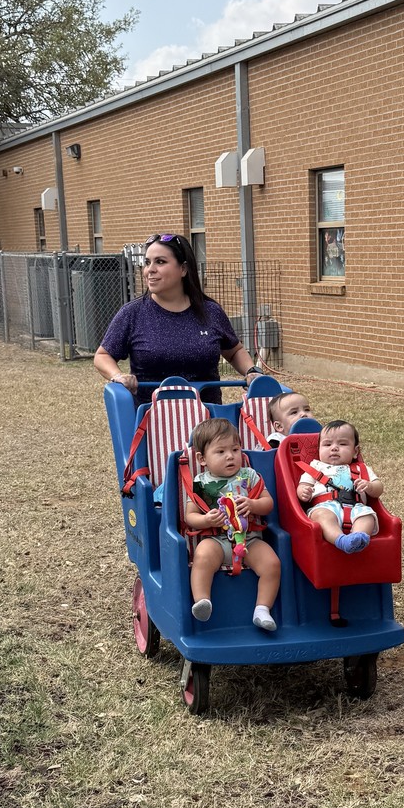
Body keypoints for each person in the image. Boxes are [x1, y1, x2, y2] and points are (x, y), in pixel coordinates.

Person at [94, 233, 262, 404]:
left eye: (160, 262)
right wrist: (118, 376)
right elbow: (103, 355)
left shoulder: (210, 311)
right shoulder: (132, 313)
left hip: (208, 424)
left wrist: (251, 371)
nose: (149, 270)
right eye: (147, 262)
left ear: (183, 269)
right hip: (151, 420)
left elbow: (234, 351)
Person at [185, 419, 281, 631]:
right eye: (220, 452)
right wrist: (206, 519)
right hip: (216, 540)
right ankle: (202, 601)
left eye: (235, 449)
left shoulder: (250, 475)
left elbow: (268, 504)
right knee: (202, 556)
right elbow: (189, 517)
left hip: (250, 540)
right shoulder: (200, 482)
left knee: (272, 564)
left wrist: (253, 504)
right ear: (202, 459)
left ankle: (262, 609)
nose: (230, 456)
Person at [296, 420, 382, 554]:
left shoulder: (361, 468)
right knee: (322, 516)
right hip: (325, 506)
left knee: (368, 517)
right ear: (318, 449)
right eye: (327, 444)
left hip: (356, 507)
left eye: (342, 444)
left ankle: (357, 538)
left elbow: (378, 489)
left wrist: (370, 486)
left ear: (355, 451)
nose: (334, 448)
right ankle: (341, 540)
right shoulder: (316, 467)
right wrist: (303, 492)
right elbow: (303, 486)